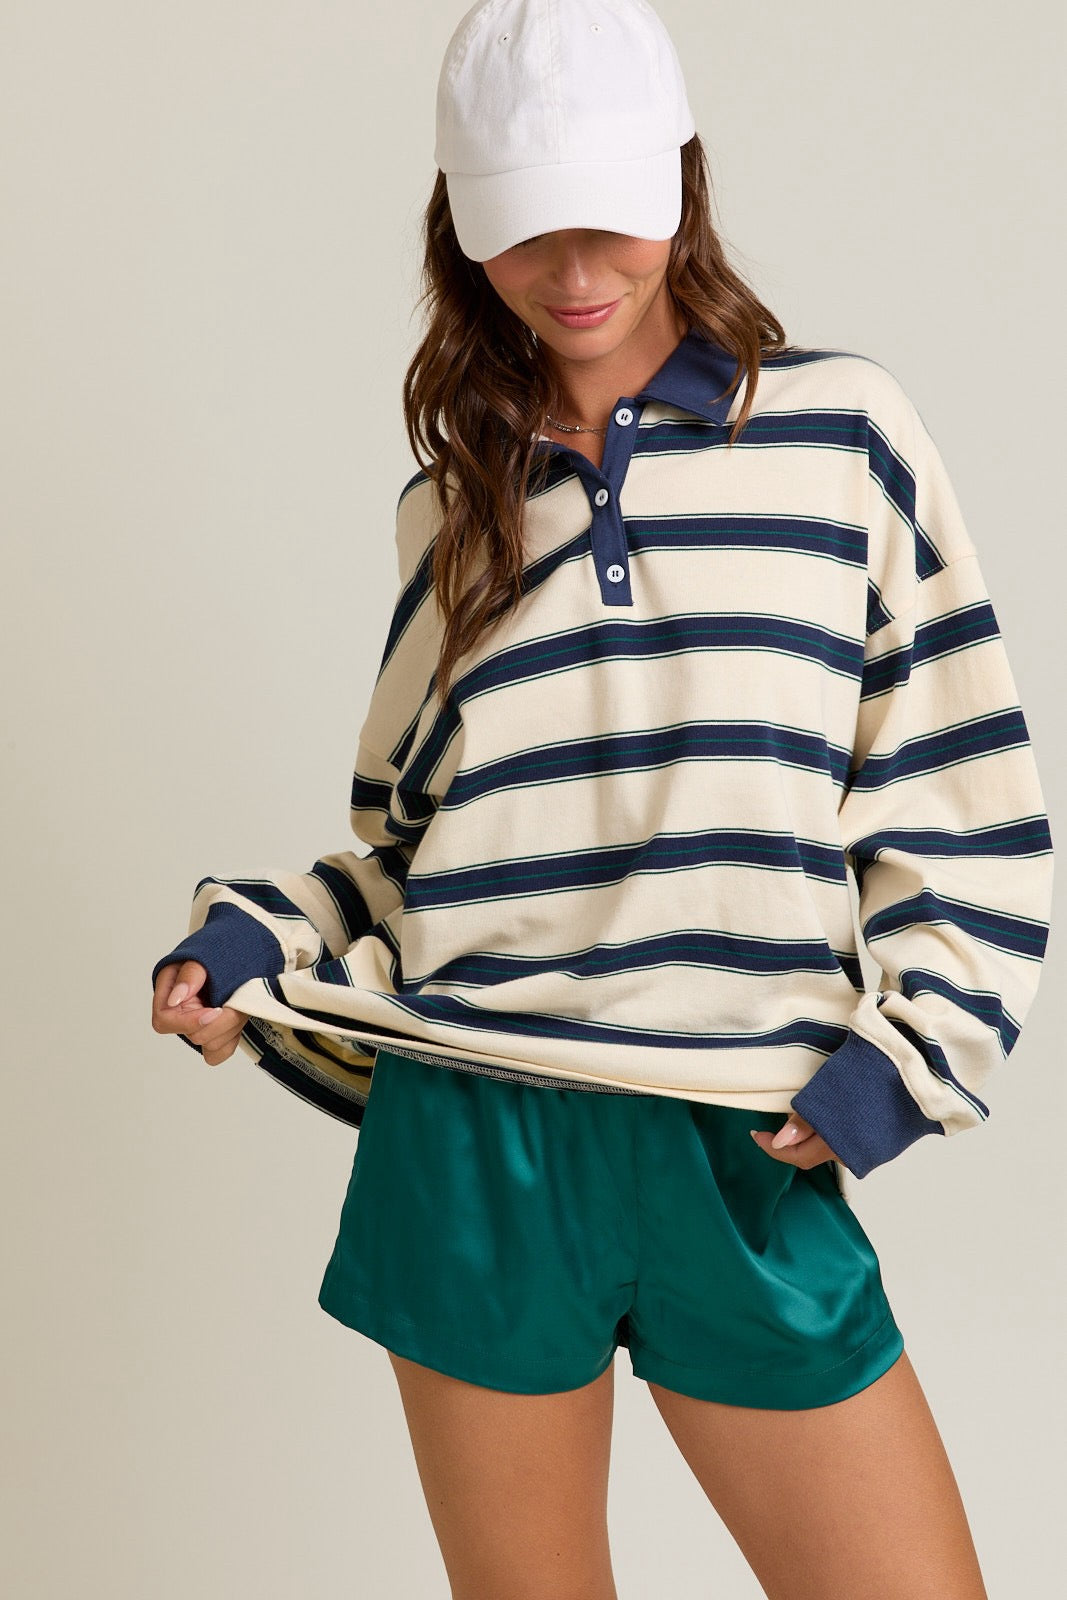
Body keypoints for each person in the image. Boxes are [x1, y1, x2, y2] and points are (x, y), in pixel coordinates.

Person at [150, 3, 1052, 1596]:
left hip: (742, 1140)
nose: (572, 270)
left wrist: (901, 1067)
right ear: (460, 227)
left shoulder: (846, 439)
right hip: (478, 1142)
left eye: (608, 217)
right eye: (521, 227)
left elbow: (964, 798)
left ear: (681, 185)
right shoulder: (457, 510)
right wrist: (249, 942)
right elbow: (420, 852)